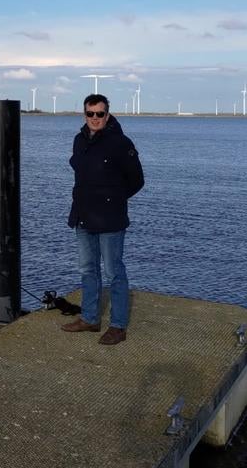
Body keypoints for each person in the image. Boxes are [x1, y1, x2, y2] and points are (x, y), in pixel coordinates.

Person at [61, 94, 144, 345]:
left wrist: (113, 199)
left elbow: (137, 180)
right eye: (90, 114)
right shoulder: (79, 141)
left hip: (110, 219)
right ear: (84, 114)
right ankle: (89, 318)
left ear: (107, 115)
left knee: (113, 272)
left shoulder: (120, 143)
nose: (95, 118)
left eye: (99, 114)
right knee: (87, 270)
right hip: (83, 217)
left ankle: (118, 326)